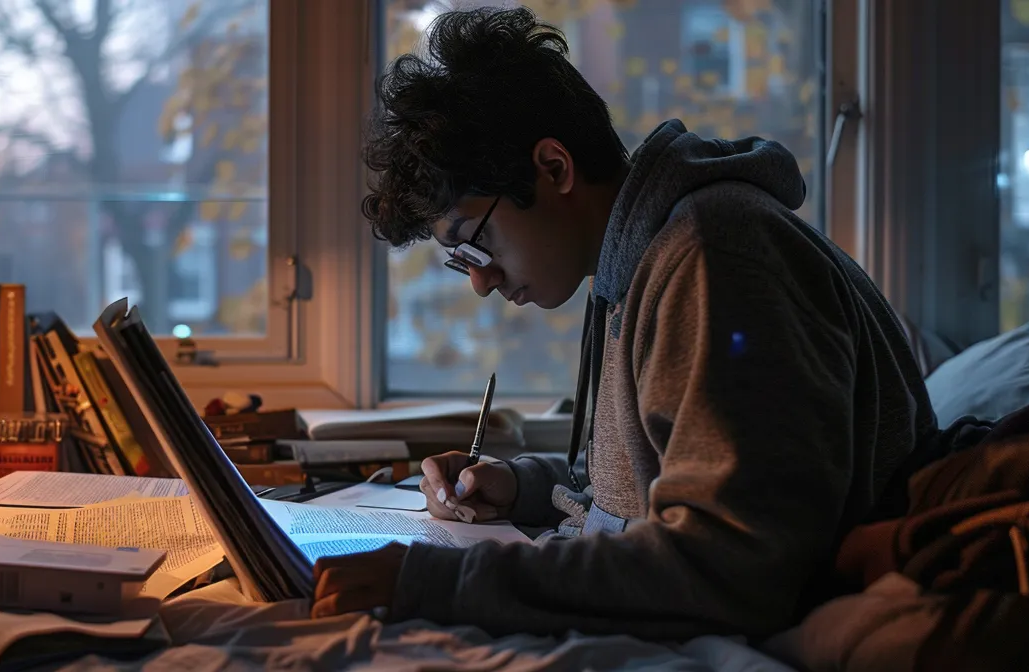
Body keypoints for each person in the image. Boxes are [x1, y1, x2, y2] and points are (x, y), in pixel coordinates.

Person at [308, 6, 937, 640]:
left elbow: (731, 563)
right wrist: (521, 487)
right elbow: (652, 485)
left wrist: (440, 584)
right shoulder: (637, 263)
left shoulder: (713, 258)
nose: (480, 280)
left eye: (475, 242)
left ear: (554, 168)